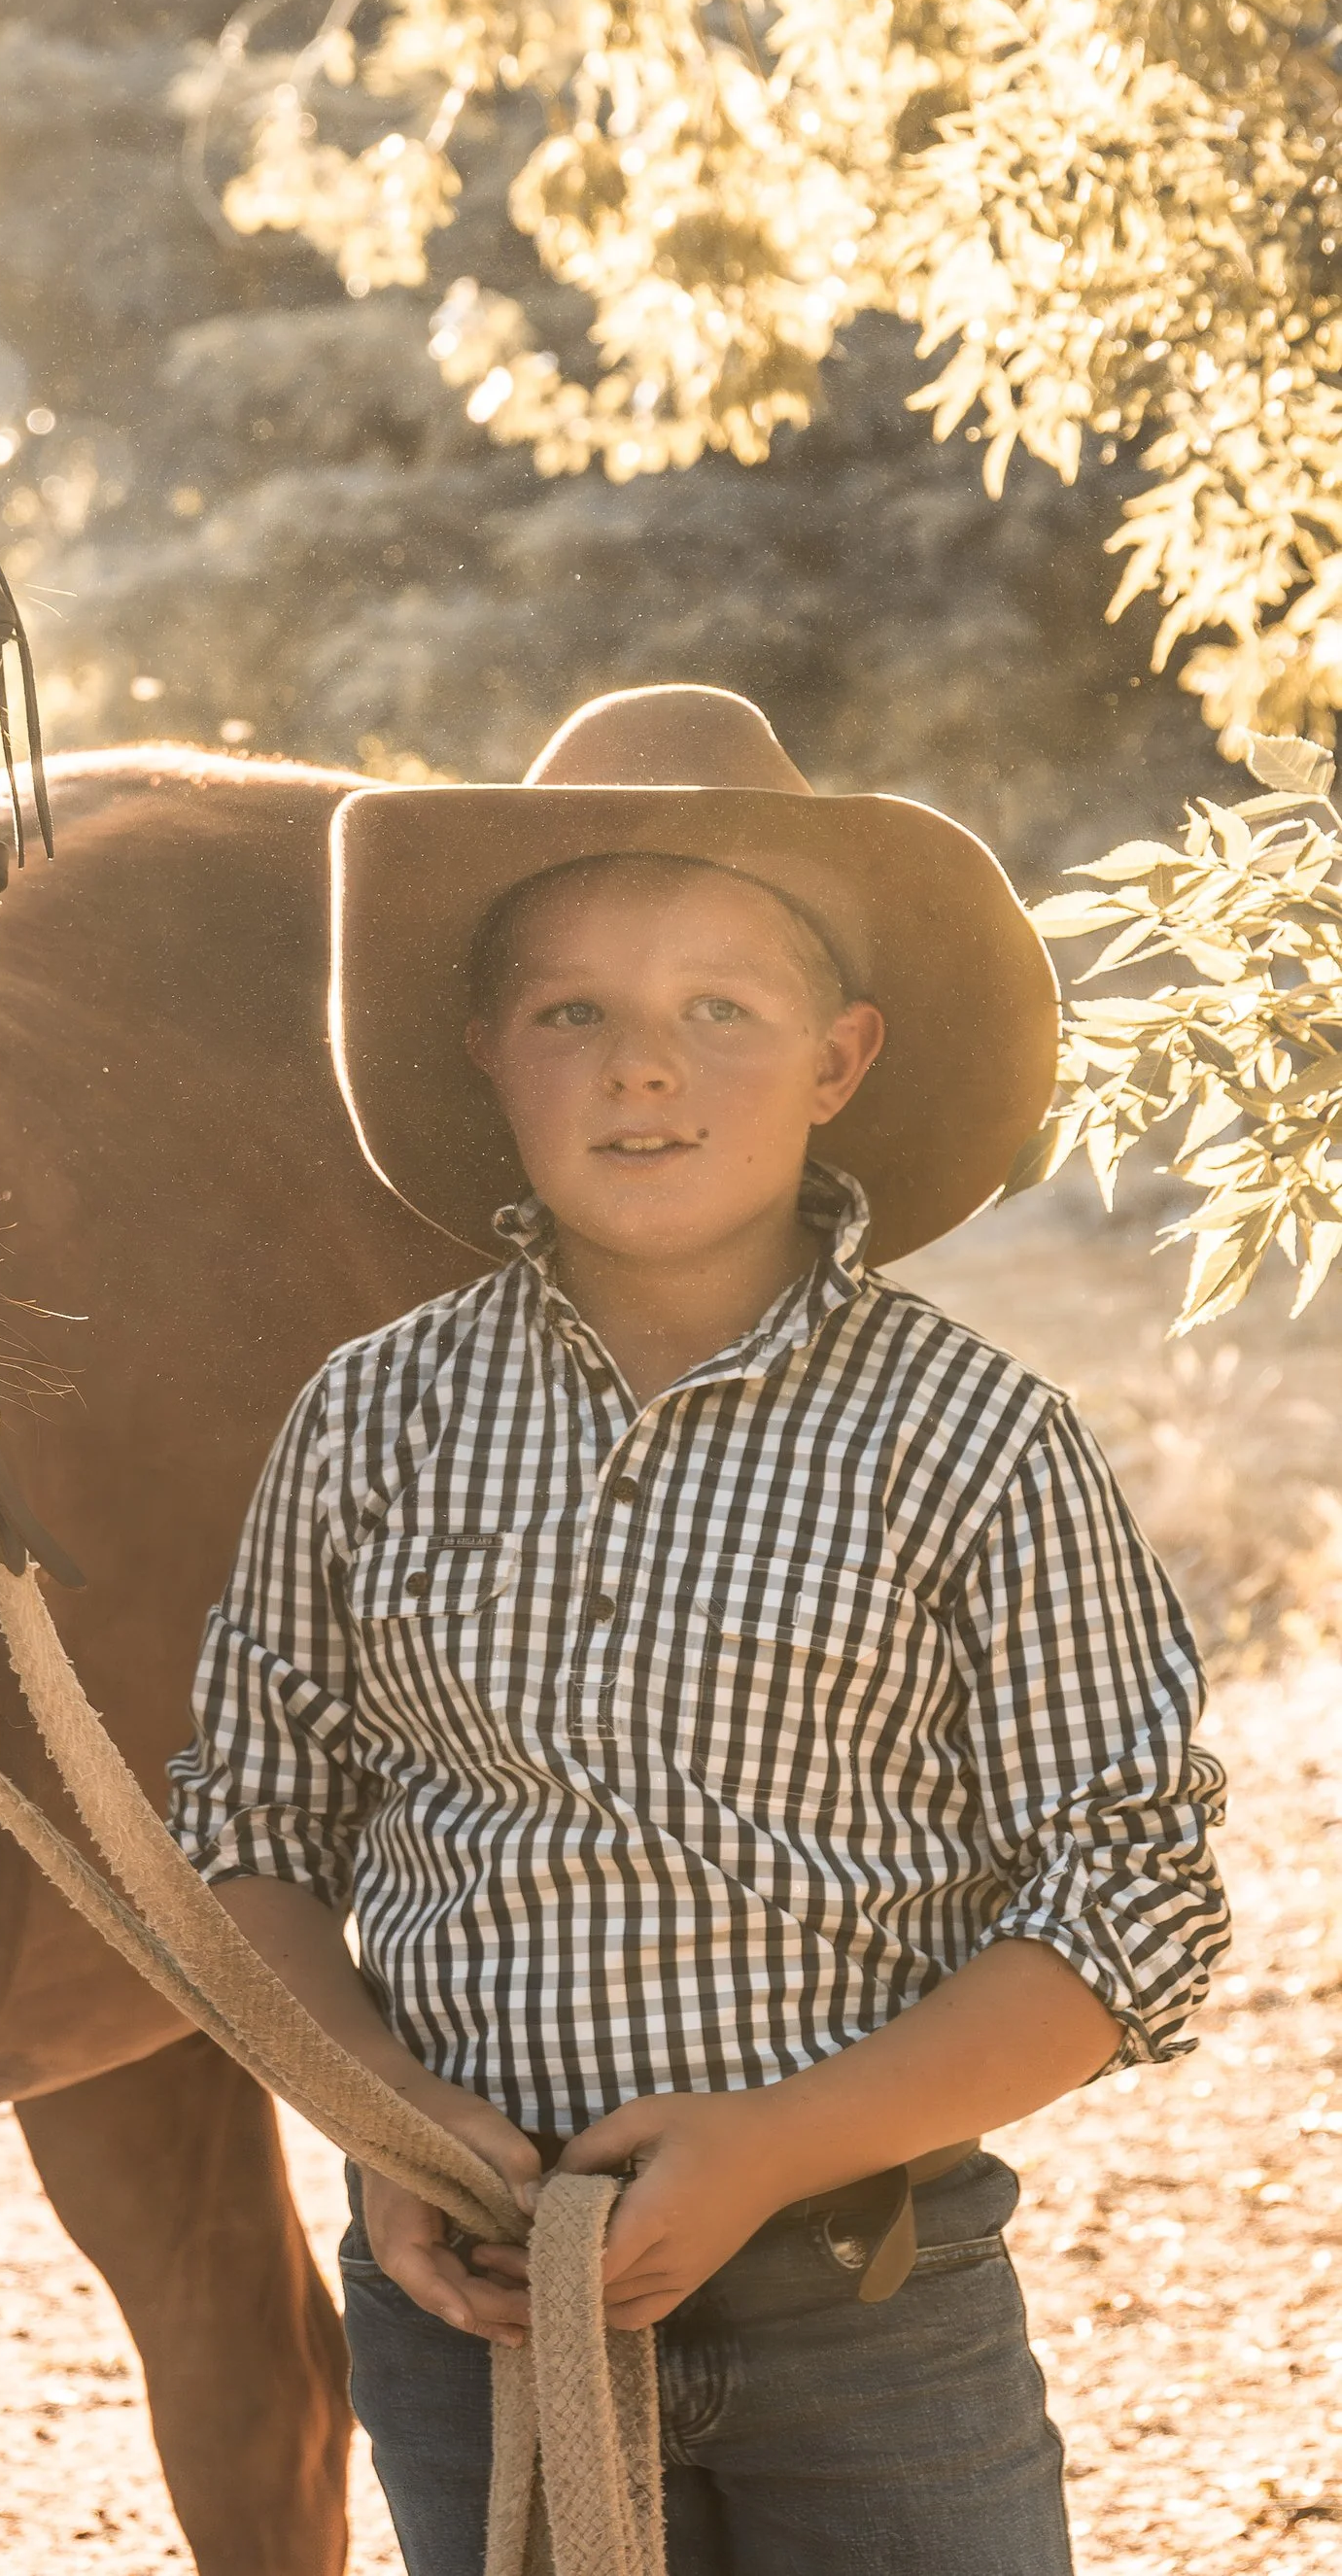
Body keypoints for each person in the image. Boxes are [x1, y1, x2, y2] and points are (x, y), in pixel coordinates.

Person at [168, 684, 1228, 2576]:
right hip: (472, 2306)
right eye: (573, 1007)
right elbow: (244, 1834)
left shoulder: (969, 1438)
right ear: (486, 1047)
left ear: (839, 1055)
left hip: (867, 2308)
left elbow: (1125, 1898)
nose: (639, 1065)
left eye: (714, 1008)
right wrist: (377, 2117)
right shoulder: (369, 1415)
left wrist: (766, 2142)